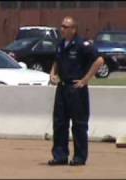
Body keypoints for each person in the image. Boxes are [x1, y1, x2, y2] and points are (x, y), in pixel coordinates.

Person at [48, 16, 104, 166]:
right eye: (62, 26)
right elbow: (56, 61)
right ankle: (60, 156)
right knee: (59, 123)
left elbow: (99, 61)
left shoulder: (82, 44)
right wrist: (53, 73)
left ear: (73, 29)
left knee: (79, 124)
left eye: (66, 27)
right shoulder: (60, 45)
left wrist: (85, 80)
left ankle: (79, 157)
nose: (62, 29)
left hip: (76, 89)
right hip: (62, 88)